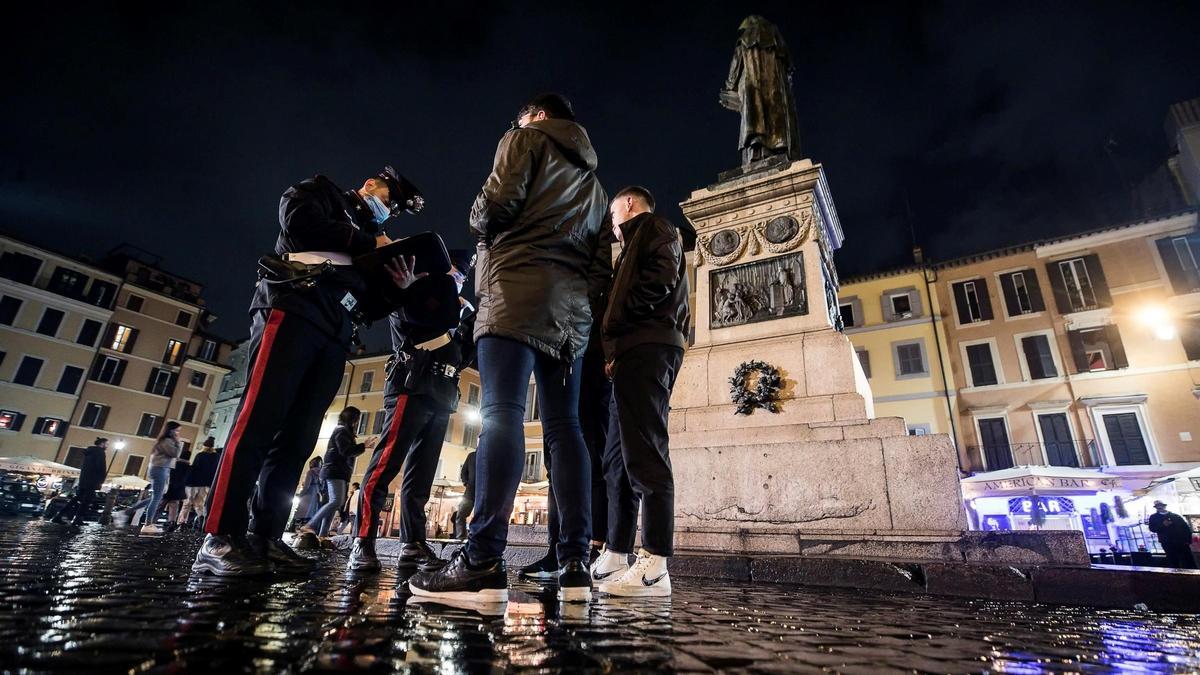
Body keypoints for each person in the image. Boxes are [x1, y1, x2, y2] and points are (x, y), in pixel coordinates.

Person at [409, 93, 609, 604]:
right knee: (566, 430)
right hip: (569, 313)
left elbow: (491, 209)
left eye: (520, 117)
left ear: (537, 115)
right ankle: (575, 564)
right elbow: (599, 262)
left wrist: (479, 217)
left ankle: (481, 559)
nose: (516, 124)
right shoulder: (594, 182)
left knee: (502, 413)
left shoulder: (524, 139)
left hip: (515, 289)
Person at [193, 166, 426, 577]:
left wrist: (397, 288)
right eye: (389, 201)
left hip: (336, 331)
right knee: (257, 421)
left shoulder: (370, 248)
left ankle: (265, 536)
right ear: (371, 185)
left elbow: (369, 308)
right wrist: (371, 242)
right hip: (293, 307)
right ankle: (220, 536)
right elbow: (300, 224)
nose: (387, 212)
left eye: (392, 211)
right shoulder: (320, 193)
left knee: (297, 440)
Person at [591, 186, 690, 598]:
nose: (612, 225)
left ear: (628, 205)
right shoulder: (635, 241)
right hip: (631, 351)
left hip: (649, 346)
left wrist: (621, 326)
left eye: (614, 213)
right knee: (618, 460)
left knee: (647, 451)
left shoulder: (656, 228)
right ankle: (617, 551)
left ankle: (655, 564)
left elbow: (660, 280)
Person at [349, 253, 477, 573]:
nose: (456, 281)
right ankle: (362, 540)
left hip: (443, 391)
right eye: (452, 273)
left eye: (461, 276)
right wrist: (408, 291)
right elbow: (412, 322)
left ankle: (413, 543)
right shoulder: (413, 290)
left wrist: (469, 325)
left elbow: (461, 358)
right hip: (412, 384)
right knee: (384, 467)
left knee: (421, 477)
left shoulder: (458, 310)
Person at [520, 225, 616, 580]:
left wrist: (562, 308)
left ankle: (590, 545)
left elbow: (597, 279)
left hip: (584, 347)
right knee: (554, 454)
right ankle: (556, 548)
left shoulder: (592, 220)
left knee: (587, 449)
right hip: (553, 344)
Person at [298, 407, 376, 547]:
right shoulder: (341, 431)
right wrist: (363, 446)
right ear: (352, 419)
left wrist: (363, 447)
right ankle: (309, 525)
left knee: (334, 503)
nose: (358, 422)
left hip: (338, 472)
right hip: (335, 471)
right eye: (357, 418)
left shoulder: (344, 432)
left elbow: (347, 452)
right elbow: (345, 451)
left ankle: (322, 535)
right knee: (336, 501)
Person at [115, 422, 183, 535]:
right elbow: (175, 453)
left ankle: (126, 513)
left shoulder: (164, 441)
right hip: (160, 469)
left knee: (156, 498)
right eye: (177, 430)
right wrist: (178, 442)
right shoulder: (167, 441)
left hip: (161, 468)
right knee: (156, 498)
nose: (178, 433)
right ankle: (147, 524)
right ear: (171, 431)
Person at [51, 437, 108, 530]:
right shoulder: (100, 452)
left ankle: (59, 516)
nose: (107, 446)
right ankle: (78, 519)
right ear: (102, 444)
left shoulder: (89, 452)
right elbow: (99, 467)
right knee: (87, 501)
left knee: (76, 498)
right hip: (92, 481)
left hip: (83, 480)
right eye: (106, 444)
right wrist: (101, 479)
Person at [179, 438, 219, 529]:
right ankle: (201, 520)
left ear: (204, 446)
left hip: (194, 483)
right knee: (199, 504)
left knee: (187, 504)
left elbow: (194, 468)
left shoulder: (200, 455)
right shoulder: (216, 456)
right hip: (206, 484)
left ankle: (181, 524)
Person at [1148, 500, 1196, 569]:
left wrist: (1188, 540)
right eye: (1157, 506)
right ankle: (1177, 577)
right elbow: (1152, 528)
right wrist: (1163, 525)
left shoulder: (1175, 516)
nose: (1159, 507)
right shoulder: (1154, 517)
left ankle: (1193, 576)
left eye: (1161, 505)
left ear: (1164, 506)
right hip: (1167, 543)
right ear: (1156, 507)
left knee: (1187, 560)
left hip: (1181, 542)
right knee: (1173, 560)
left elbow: (1186, 528)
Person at [162, 449, 192, 532]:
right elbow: (188, 479)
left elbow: (168, 474)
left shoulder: (174, 464)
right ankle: (172, 522)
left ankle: (151, 522)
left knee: (160, 505)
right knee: (174, 506)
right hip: (179, 489)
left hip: (169, 487)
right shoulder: (189, 467)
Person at [293, 458, 323, 531]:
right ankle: (306, 532)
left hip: (308, 494)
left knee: (303, 513)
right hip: (316, 494)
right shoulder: (321, 472)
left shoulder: (310, 472)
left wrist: (300, 495)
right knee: (311, 514)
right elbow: (321, 486)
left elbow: (306, 486)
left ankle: (300, 532)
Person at [453, 450, 477, 540]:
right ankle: (461, 537)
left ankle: (474, 538)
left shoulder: (490, 455)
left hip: (482, 492)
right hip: (470, 491)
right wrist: (466, 483)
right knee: (461, 514)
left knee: (479, 516)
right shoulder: (472, 456)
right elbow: (464, 471)